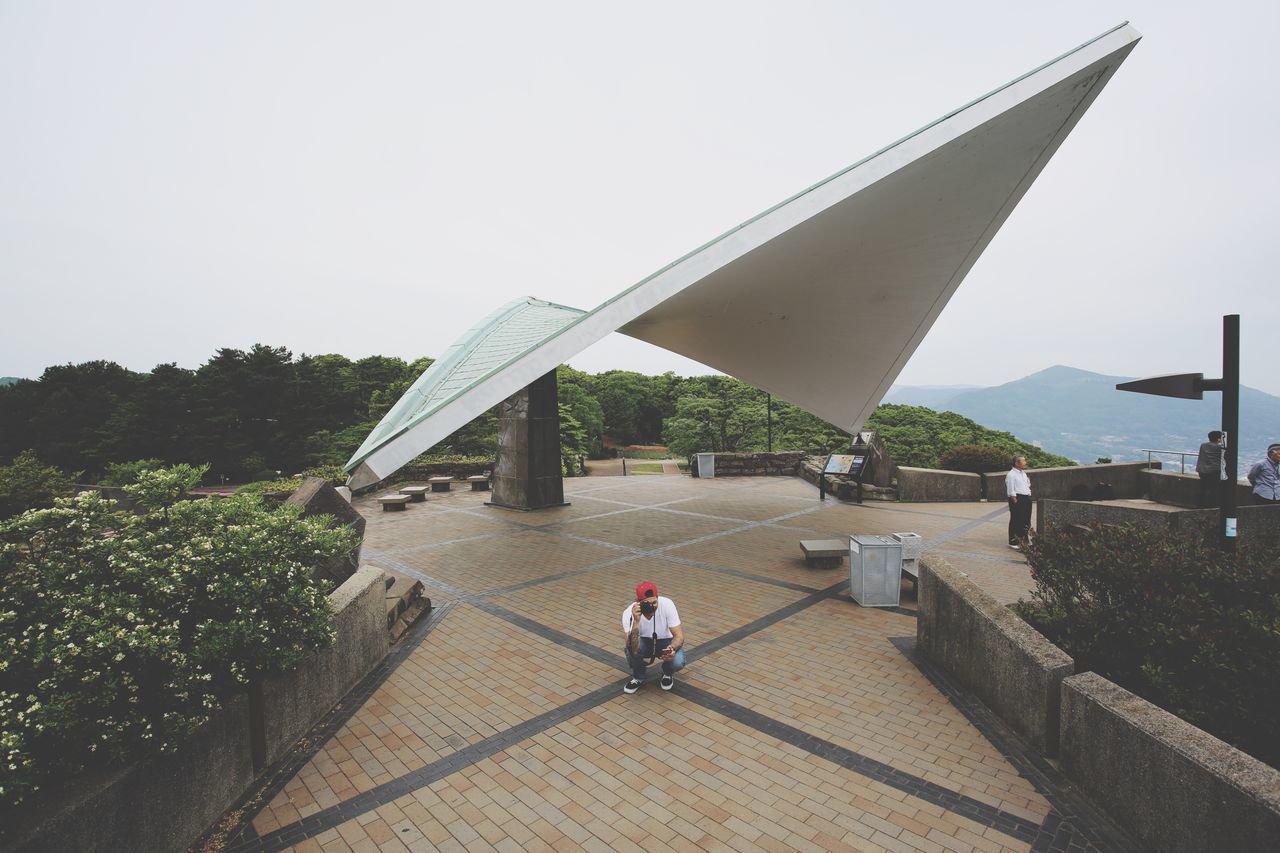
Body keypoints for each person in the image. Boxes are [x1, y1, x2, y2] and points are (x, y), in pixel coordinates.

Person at [621, 581, 685, 694]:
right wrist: (636, 621)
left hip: (665, 642)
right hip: (644, 642)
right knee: (632, 652)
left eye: (654, 602)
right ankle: (638, 678)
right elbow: (631, 648)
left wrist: (672, 648)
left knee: (678, 661)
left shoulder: (667, 604)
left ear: (657, 598)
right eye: (647, 603)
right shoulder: (628, 613)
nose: (652, 607)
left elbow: (679, 636)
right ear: (638, 602)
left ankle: (667, 673)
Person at [1006, 455, 1032, 549]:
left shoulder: (1023, 473)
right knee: (1016, 520)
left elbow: (1027, 485)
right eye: (1023, 461)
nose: (1025, 462)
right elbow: (1010, 489)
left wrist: (1029, 494)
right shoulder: (1011, 474)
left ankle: (1024, 539)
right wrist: (1014, 499)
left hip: (1026, 498)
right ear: (1017, 463)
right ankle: (1013, 541)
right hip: (1017, 498)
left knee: (1026, 520)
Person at [1195, 430, 1225, 508]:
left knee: (1203, 488)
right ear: (1218, 439)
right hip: (1214, 472)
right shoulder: (1220, 447)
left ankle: (1200, 506)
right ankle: (1212, 506)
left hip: (1202, 471)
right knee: (1213, 490)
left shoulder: (1203, 445)